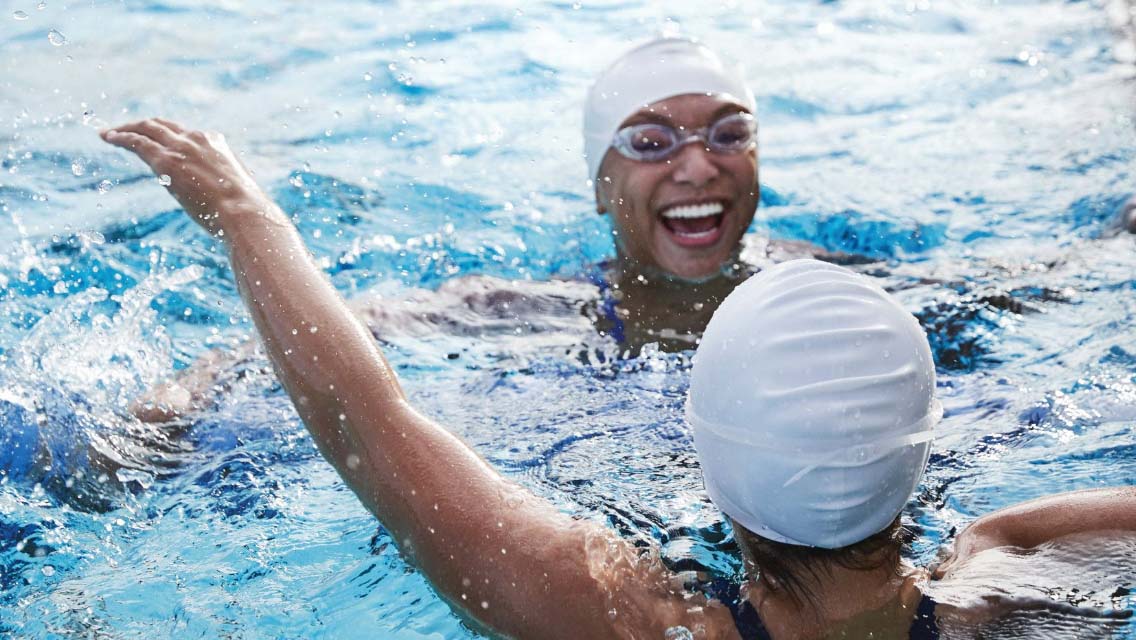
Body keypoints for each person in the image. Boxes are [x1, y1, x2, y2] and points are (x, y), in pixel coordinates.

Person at [100, 116, 1136, 637]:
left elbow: (369, 424)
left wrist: (245, 213)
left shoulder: (619, 615)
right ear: (920, 447)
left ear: (709, 451)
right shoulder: (1005, 576)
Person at [128, 38, 862, 423]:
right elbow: (366, 328)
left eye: (729, 133)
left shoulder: (837, 294)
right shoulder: (537, 310)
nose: (698, 167)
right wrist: (204, 382)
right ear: (600, 187)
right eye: (649, 141)